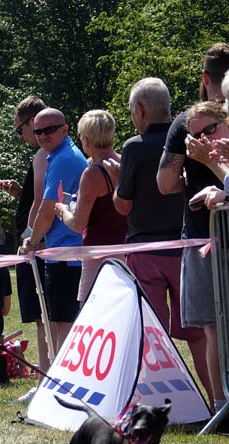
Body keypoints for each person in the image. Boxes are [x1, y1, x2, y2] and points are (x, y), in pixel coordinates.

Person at [110, 78, 215, 408]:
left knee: (151, 331)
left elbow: (123, 204)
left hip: (146, 250)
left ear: (140, 110)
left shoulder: (134, 147)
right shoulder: (192, 134)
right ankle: (215, 400)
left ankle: (158, 404)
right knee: (200, 333)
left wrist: (116, 181)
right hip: (185, 246)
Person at [158, 43, 229, 415]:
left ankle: (220, 405)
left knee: (213, 328)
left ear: (204, 77)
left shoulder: (187, 121)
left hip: (205, 235)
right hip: (207, 234)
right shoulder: (194, 120)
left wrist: (193, 168)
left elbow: (165, 183)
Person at [21, 108, 86, 350]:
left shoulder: (63, 159)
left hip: (66, 257)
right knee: (61, 323)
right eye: (38, 131)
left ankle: (63, 373)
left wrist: (31, 242)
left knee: (64, 325)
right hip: (65, 254)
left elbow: (47, 210)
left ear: (65, 129)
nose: (43, 136)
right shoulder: (60, 156)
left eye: (50, 130)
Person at [0, 95, 49, 402]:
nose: (21, 137)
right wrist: (21, 193)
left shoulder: (44, 155)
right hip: (38, 245)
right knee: (42, 319)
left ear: (32, 122)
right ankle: (44, 380)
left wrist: (29, 240)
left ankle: (46, 382)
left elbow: (44, 203)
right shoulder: (44, 156)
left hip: (38, 248)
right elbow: (36, 199)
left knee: (45, 318)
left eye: (20, 129)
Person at [56, 110, 126, 303]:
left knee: (92, 311)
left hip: (99, 258)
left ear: (86, 139)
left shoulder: (93, 174)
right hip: (129, 253)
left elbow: (78, 224)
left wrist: (63, 211)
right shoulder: (125, 162)